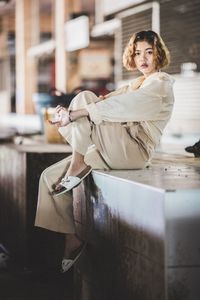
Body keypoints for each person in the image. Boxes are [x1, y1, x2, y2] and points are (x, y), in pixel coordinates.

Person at [35, 30, 175, 273]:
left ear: (159, 55)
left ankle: (77, 164)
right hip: (116, 147)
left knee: (84, 98)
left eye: (149, 52)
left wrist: (76, 113)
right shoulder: (135, 84)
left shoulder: (160, 84)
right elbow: (105, 102)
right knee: (48, 177)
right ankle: (72, 238)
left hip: (135, 150)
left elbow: (120, 106)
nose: (143, 58)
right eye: (137, 53)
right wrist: (66, 113)